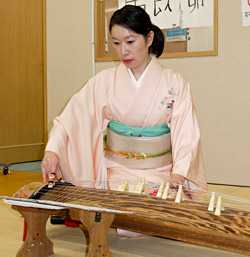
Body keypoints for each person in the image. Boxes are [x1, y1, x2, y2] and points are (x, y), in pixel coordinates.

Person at [41, 5, 207, 194]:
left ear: (149, 38)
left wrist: (179, 174)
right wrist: (53, 151)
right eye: (117, 43)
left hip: (162, 173)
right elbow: (71, 119)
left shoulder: (175, 83)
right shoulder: (104, 81)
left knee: (161, 212)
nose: (123, 52)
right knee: (118, 209)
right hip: (114, 172)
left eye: (130, 41)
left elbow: (187, 134)